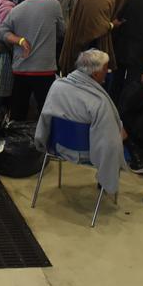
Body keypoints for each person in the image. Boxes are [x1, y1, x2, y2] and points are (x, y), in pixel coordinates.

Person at [35, 49, 125, 196]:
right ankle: (104, 186)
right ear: (95, 74)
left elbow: (45, 119)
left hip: (57, 146)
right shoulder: (100, 102)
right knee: (117, 139)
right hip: (85, 153)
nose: (107, 71)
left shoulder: (57, 86)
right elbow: (109, 143)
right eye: (105, 68)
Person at [0, 0, 65, 120]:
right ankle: (42, 140)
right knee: (45, 111)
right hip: (44, 69)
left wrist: (20, 40)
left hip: (20, 68)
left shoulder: (16, 9)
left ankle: (15, 139)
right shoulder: (54, 4)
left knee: (18, 111)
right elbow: (62, 31)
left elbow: (1, 32)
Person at [59, 0, 134, 76]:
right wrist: (112, 24)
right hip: (88, 45)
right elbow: (97, 27)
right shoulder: (104, 0)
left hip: (77, 36)